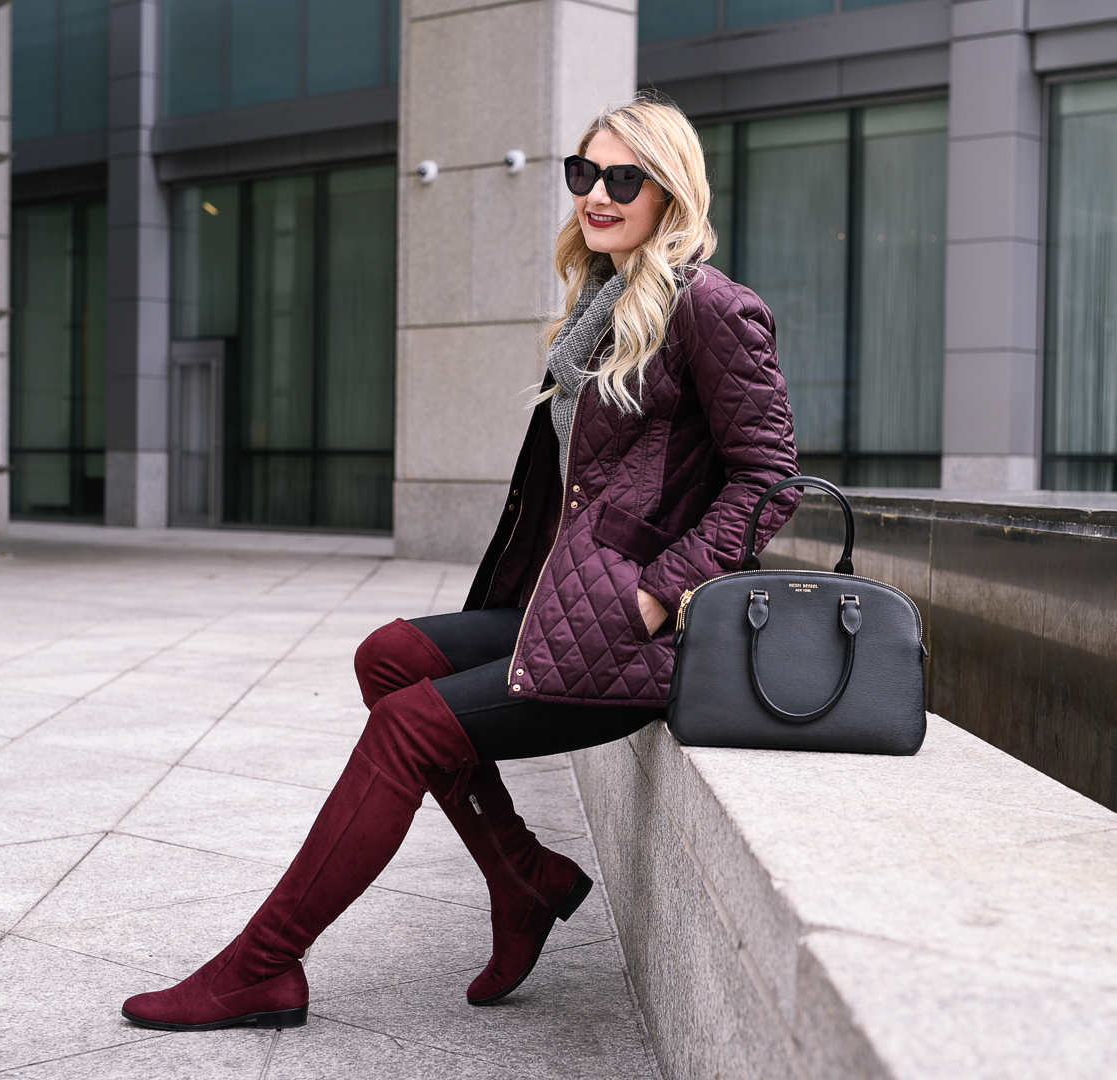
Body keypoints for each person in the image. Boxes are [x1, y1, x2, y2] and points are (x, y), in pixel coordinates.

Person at [121, 95, 799, 1032]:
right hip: (577, 604)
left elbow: (769, 480)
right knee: (387, 655)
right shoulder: (604, 306)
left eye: (622, 179)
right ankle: (524, 877)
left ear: (670, 192)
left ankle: (264, 965)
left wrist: (660, 590)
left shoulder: (712, 307)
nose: (596, 194)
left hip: (635, 633)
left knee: (408, 727)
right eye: (583, 173)